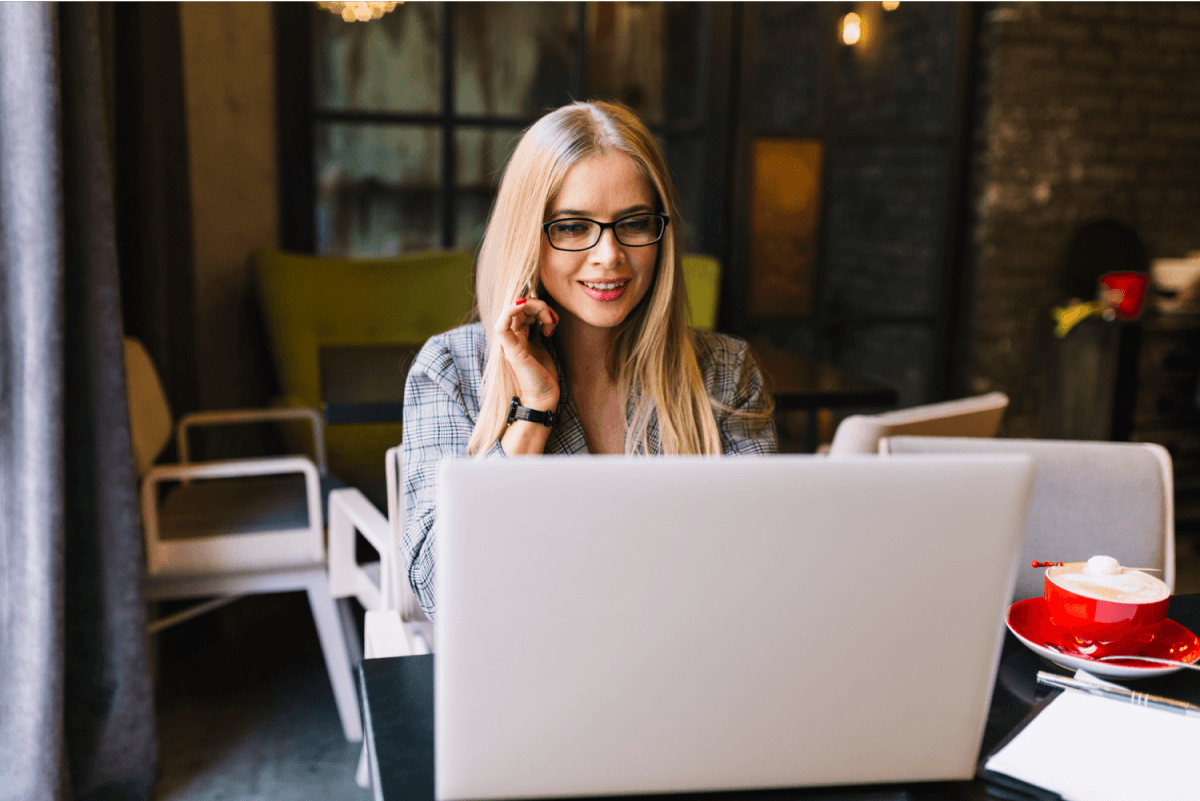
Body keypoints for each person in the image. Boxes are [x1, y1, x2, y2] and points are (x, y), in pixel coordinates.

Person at [400, 100, 777, 619]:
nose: (609, 255)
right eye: (574, 227)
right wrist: (533, 411)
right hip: (527, 671)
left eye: (634, 223)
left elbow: (764, 571)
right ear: (526, 234)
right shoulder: (451, 370)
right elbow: (441, 590)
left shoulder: (725, 372)